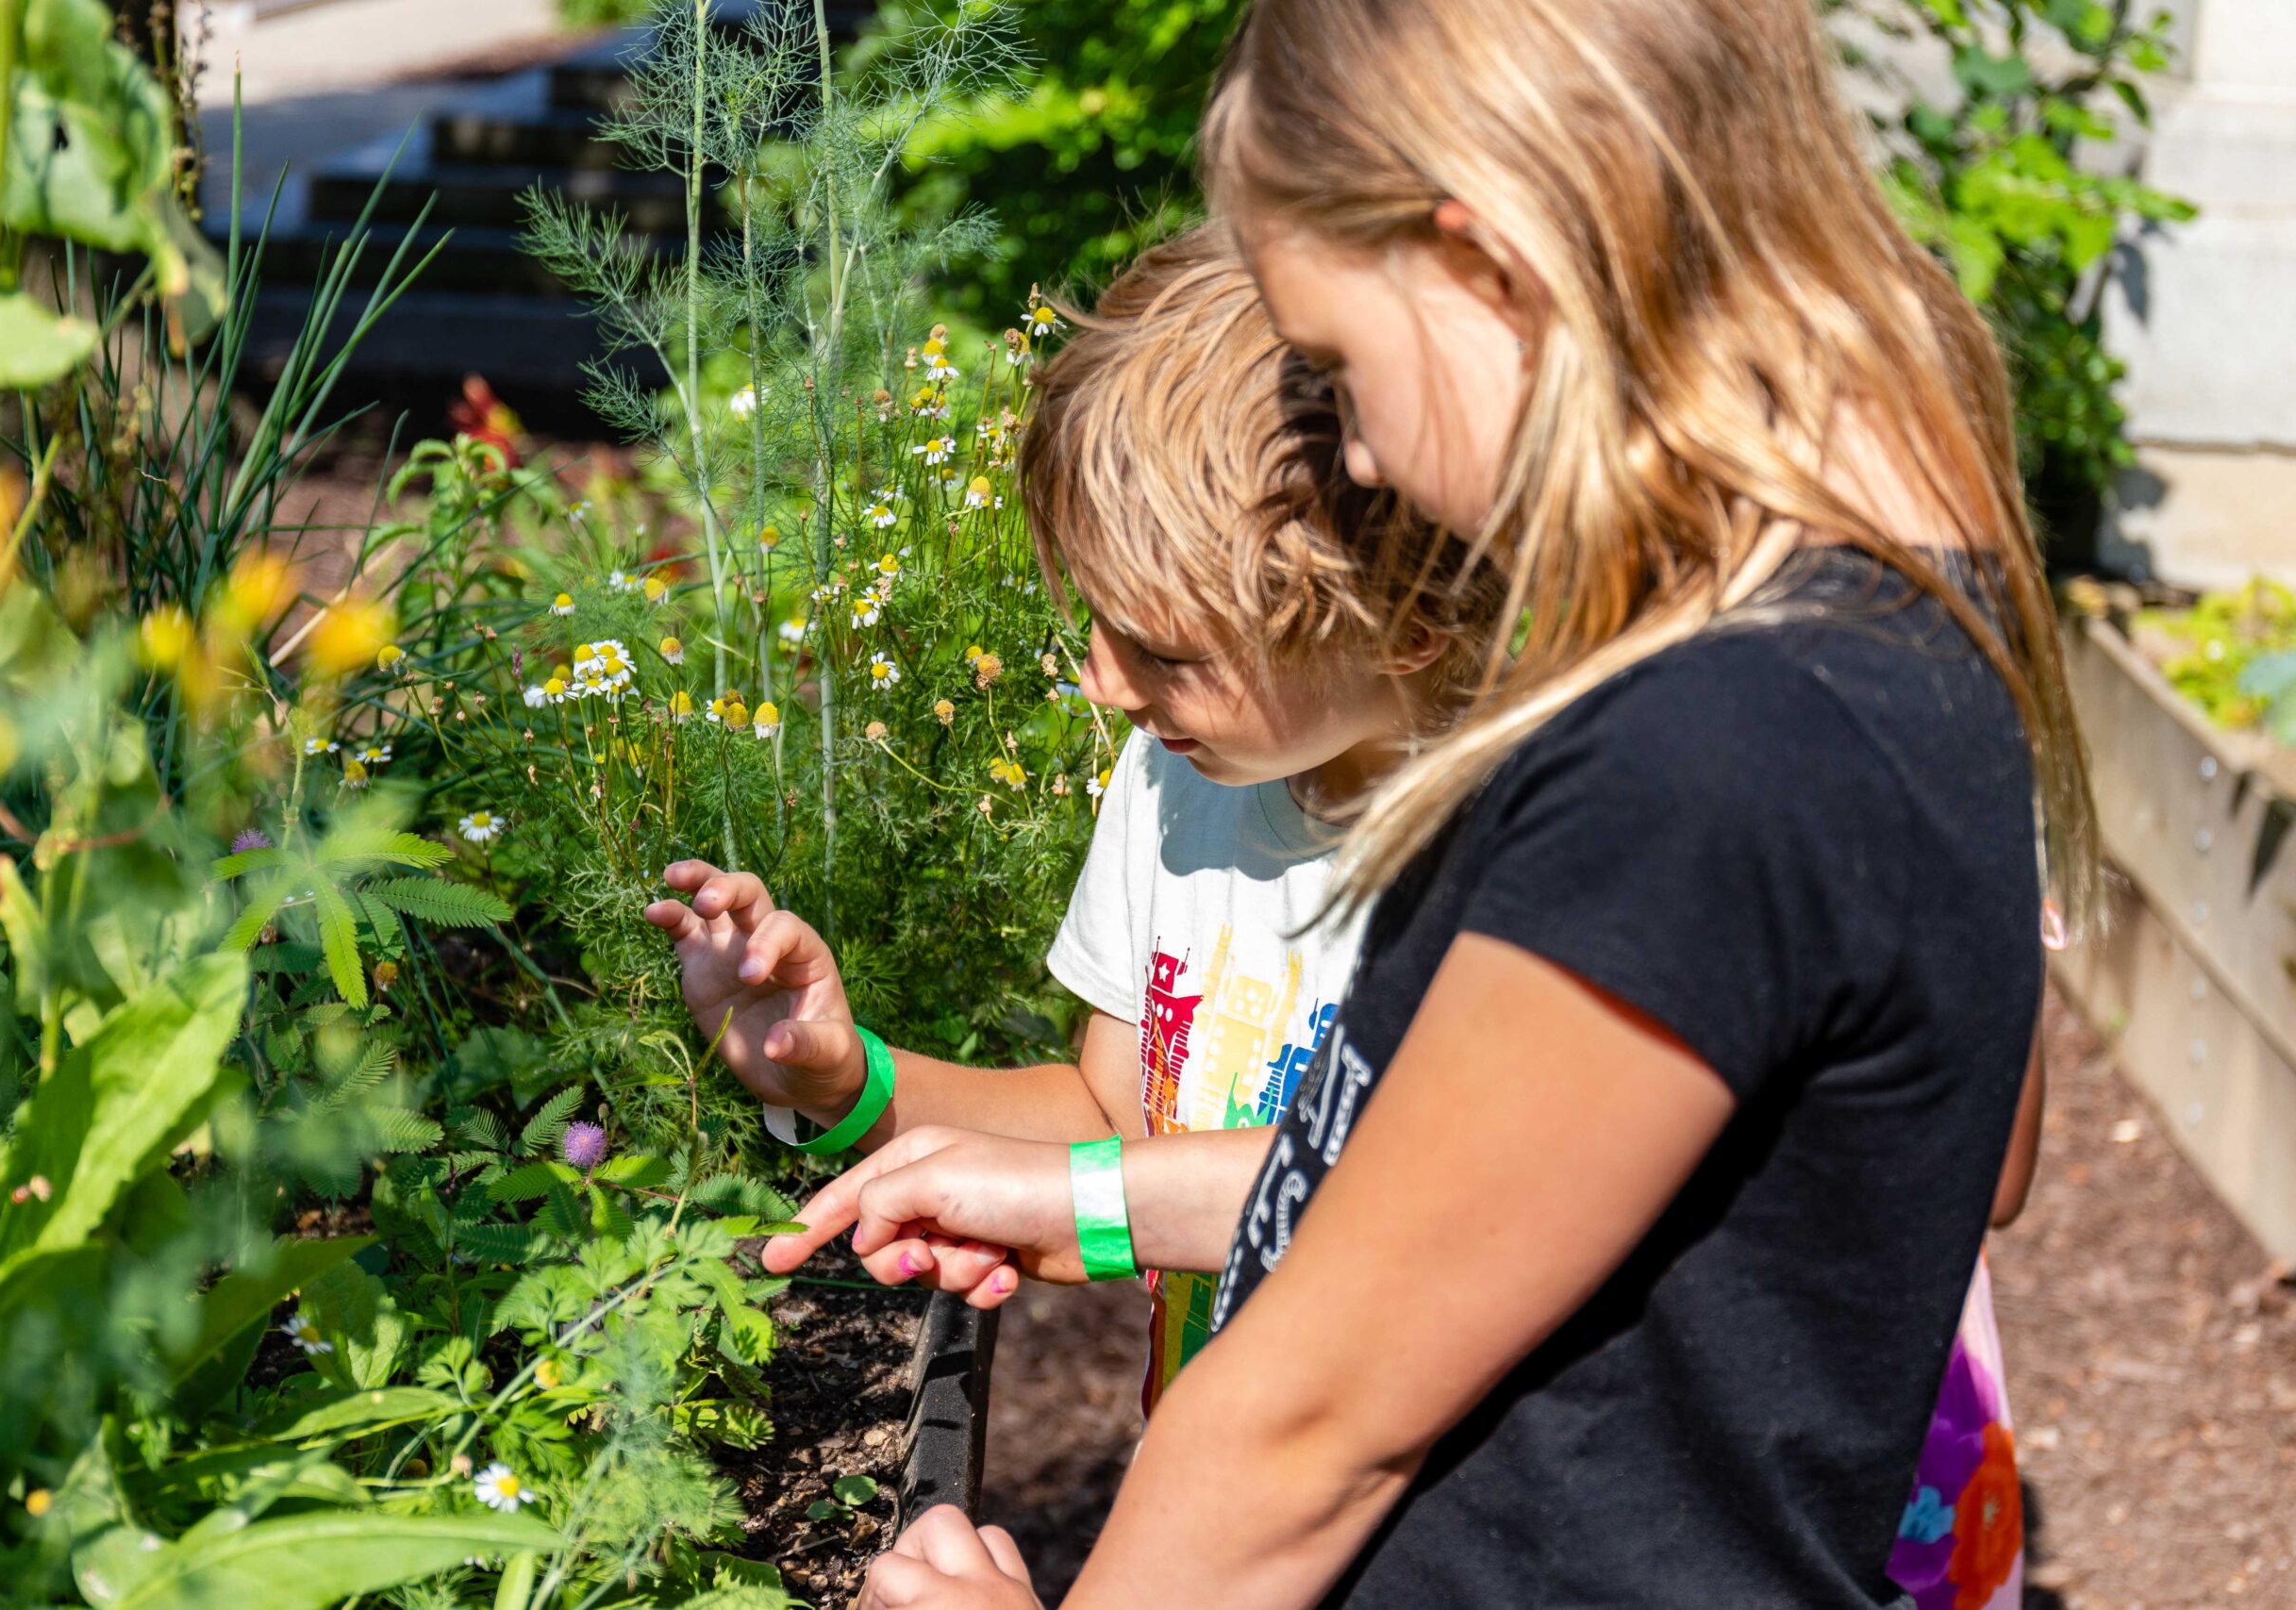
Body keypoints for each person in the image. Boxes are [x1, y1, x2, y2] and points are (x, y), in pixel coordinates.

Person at [770, 1, 2093, 1605]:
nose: (1367, 468)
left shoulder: (1711, 756)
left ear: (1488, 269)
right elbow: (1436, 1174)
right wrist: (1086, 1196)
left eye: (1338, 364)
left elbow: (1313, 1427)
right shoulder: (1865, 631)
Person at [642, 227, 1501, 1390]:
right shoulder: (1181, 781)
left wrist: (1089, 1211)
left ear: (1403, 622)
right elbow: (1112, 1119)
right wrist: (846, 1085)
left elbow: (1451, 1203)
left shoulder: (1517, 850)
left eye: (1162, 647)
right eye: (1095, 619)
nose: (1100, 680)